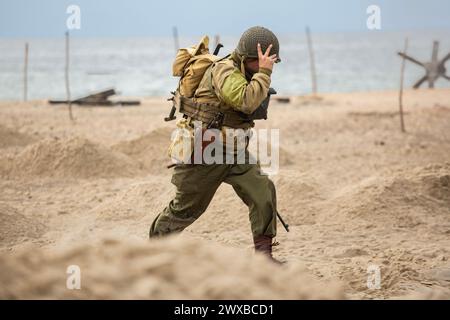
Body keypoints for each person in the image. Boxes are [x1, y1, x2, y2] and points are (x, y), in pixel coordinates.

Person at [149, 26, 282, 263]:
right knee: (186, 209)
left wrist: (260, 73)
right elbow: (245, 100)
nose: (266, 66)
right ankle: (152, 254)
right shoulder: (224, 71)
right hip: (204, 150)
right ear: (247, 58)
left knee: (263, 193)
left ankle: (264, 259)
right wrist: (264, 74)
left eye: (270, 62)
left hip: (233, 150)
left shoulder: (246, 72)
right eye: (260, 62)